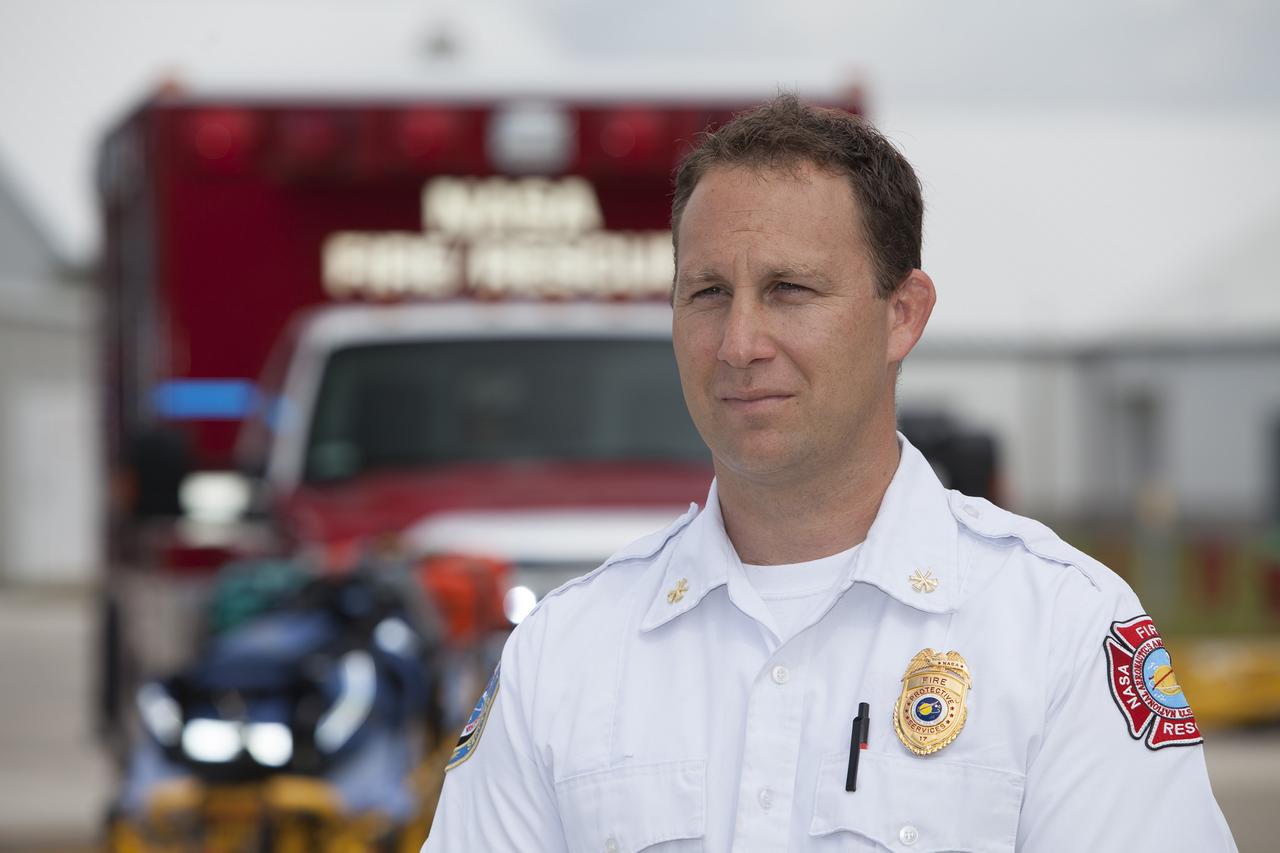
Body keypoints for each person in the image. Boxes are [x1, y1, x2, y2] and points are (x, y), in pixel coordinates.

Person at [422, 95, 1236, 851]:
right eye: (707, 291)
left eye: (789, 289)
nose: (740, 342)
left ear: (903, 315)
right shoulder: (564, 653)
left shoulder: (1058, 631)